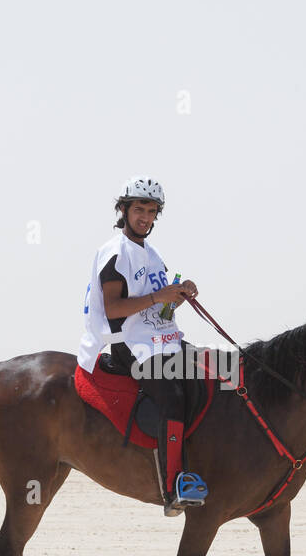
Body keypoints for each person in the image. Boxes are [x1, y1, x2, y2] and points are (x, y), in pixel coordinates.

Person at [78, 177, 208, 516]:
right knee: (173, 397)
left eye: (152, 212)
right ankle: (173, 487)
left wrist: (178, 297)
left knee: (213, 372)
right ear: (123, 210)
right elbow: (114, 308)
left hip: (162, 340)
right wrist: (158, 296)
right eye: (139, 210)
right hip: (129, 346)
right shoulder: (115, 253)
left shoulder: (152, 254)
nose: (146, 218)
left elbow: (157, 310)